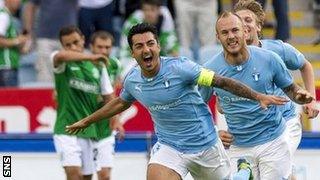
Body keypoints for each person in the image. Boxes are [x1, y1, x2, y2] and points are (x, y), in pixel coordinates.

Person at [66, 22, 289, 180]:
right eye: (139, 46)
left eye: (150, 43)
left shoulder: (182, 68)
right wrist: (88, 121)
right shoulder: (133, 80)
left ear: (158, 46)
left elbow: (220, 82)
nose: (146, 49)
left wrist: (257, 95)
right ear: (132, 53)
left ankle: (243, 172)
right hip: (170, 147)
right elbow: (120, 102)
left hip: (205, 146)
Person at [199, 12, 314, 179]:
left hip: (273, 142)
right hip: (239, 147)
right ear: (217, 37)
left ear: (244, 32)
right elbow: (196, 108)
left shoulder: (270, 58)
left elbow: (292, 90)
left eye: (234, 30)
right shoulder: (208, 70)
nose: (231, 36)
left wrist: (301, 97)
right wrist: (214, 132)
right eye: (225, 33)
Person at [51, 26, 114, 180]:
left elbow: (109, 98)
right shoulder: (61, 62)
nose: (73, 47)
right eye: (68, 45)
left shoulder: (99, 68)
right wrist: (91, 57)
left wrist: (116, 120)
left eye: (75, 42)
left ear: (83, 40)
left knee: (87, 177)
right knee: (74, 174)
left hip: (89, 130)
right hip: (66, 129)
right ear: (62, 46)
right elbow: (59, 56)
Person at [89, 30, 125, 180]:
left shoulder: (115, 64)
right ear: (91, 47)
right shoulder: (84, 65)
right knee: (85, 174)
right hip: (87, 125)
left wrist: (116, 119)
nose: (104, 51)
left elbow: (116, 94)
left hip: (105, 127)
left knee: (104, 175)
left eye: (107, 47)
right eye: (100, 47)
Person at [119, 0, 179, 78]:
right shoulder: (134, 20)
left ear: (159, 10)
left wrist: (175, 60)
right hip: (133, 58)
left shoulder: (165, 15)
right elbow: (125, 49)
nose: (148, 13)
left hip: (159, 55)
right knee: (125, 75)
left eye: (152, 10)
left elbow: (171, 42)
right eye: (145, 10)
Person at [23, 0, 78, 84]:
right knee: (44, 74)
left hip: (68, 36)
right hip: (45, 37)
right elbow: (30, 7)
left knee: (71, 72)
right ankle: (45, 96)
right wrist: (28, 32)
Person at [0, 0, 29, 87]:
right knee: (11, 100)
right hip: (6, 68)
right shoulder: (3, 16)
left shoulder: (8, 16)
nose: (19, 2)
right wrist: (18, 40)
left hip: (9, 67)